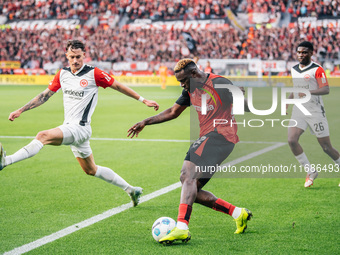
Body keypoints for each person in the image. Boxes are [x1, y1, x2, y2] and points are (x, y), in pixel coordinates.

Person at [0, 40, 159, 206]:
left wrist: (143, 100)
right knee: (91, 170)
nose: (75, 60)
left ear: (84, 54)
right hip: (72, 129)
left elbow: (118, 86)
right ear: (66, 56)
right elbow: (44, 95)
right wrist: (21, 110)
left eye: (78, 57)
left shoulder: (94, 73)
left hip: (80, 129)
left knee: (42, 136)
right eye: (72, 57)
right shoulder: (62, 74)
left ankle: (6, 161)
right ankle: (132, 190)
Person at [127, 59, 252, 244]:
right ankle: (237, 213)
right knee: (192, 188)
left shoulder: (219, 83)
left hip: (221, 134)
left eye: (183, 80)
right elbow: (173, 112)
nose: (181, 85)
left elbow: (247, 108)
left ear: (194, 74)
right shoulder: (190, 89)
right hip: (213, 138)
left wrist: (241, 98)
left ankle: (182, 228)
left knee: (187, 174)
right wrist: (146, 121)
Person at [287, 41, 340, 188]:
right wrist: (287, 102)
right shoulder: (294, 69)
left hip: (315, 111)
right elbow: (295, 88)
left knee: (326, 147)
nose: (301, 55)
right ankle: (310, 171)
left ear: (311, 53)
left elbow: (326, 89)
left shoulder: (317, 69)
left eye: (304, 52)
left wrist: (308, 93)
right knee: (292, 140)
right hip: (299, 110)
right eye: (299, 52)